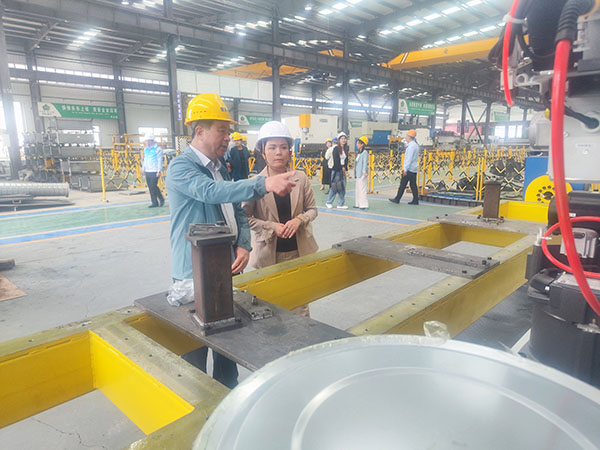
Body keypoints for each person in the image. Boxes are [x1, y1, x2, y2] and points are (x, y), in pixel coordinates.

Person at [166, 93, 296, 388]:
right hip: (192, 272)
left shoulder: (219, 167)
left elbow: (236, 210)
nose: (228, 137)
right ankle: (198, 403)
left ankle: (228, 393)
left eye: (228, 131)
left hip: (225, 266)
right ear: (200, 131)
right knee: (195, 350)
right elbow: (210, 193)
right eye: (222, 130)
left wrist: (244, 245)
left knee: (228, 343)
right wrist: (263, 183)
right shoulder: (181, 167)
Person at [243, 121, 318, 317]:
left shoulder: (301, 178)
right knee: (270, 305)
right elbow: (245, 217)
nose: (278, 152)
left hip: (298, 252)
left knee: (299, 305)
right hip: (268, 255)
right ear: (262, 151)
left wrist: (299, 219)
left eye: (283, 147)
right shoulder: (255, 183)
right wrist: (270, 226)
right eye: (272, 147)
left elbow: (312, 210)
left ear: (290, 151)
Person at [389, 129, 420, 205]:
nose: (405, 137)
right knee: (413, 185)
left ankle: (397, 199)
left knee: (403, 184)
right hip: (414, 168)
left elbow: (408, 159)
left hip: (409, 169)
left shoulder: (411, 147)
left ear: (409, 137)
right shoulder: (415, 145)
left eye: (406, 136)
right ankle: (415, 200)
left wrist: (405, 169)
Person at [326, 132, 349, 209]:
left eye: (345, 138)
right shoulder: (336, 149)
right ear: (339, 140)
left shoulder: (346, 148)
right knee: (334, 187)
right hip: (336, 171)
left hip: (342, 171)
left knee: (342, 187)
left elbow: (346, 160)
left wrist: (346, 169)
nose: (344, 140)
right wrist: (341, 168)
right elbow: (336, 160)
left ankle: (340, 204)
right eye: (342, 138)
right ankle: (329, 202)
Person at [141, 135, 165, 208]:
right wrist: (143, 169)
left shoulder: (158, 149)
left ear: (151, 141)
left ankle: (161, 199)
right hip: (148, 170)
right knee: (150, 187)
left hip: (154, 170)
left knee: (153, 186)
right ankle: (154, 202)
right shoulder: (146, 149)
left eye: (147, 141)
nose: (146, 142)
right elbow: (145, 159)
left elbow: (159, 160)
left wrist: (159, 171)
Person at [354, 136, 369, 210]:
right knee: (358, 189)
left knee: (362, 190)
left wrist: (364, 172)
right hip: (358, 174)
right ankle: (358, 204)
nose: (357, 144)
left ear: (362, 144)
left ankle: (363, 205)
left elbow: (365, 163)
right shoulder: (359, 153)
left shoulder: (365, 153)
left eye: (358, 143)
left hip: (362, 174)